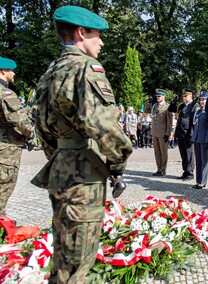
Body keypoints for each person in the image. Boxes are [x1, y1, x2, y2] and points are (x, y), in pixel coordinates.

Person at [31, 6, 133, 283]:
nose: (101, 42)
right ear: (80, 33)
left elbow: (40, 123)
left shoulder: (51, 71)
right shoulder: (86, 68)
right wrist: (119, 160)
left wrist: (60, 153)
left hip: (61, 166)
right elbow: (102, 125)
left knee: (63, 252)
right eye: (97, 35)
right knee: (79, 260)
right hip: (83, 172)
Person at [0, 56, 33, 216]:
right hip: (5, 153)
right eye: (11, 70)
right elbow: (20, 121)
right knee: (2, 192)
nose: (13, 74)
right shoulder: (5, 93)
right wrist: (32, 134)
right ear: (3, 71)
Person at [168, 88, 199, 181]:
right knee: (183, 153)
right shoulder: (181, 105)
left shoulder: (195, 105)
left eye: (186, 96)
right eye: (183, 97)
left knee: (189, 153)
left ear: (191, 96)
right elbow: (171, 110)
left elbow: (195, 121)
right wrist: (173, 102)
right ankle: (185, 171)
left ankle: (190, 173)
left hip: (188, 132)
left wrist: (192, 134)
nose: (184, 98)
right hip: (180, 132)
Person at [144, 89, 173, 176]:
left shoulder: (167, 107)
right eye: (157, 96)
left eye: (159, 96)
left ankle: (163, 169)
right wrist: (149, 102)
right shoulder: (154, 106)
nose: (158, 98)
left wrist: (168, 133)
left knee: (163, 153)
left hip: (163, 133)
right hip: (155, 132)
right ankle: (158, 168)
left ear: (164, 96)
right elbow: (145, 111)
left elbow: (169, 122)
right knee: (157, 152)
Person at [191, 91, 208, 189]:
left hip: (204, 139)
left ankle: (203, 181)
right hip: (197, 139)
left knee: (204, 161)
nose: (201, 101)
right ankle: (198, 180)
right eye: (200, 99)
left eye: (203, 99)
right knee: (198, 161)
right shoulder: (198, 111)